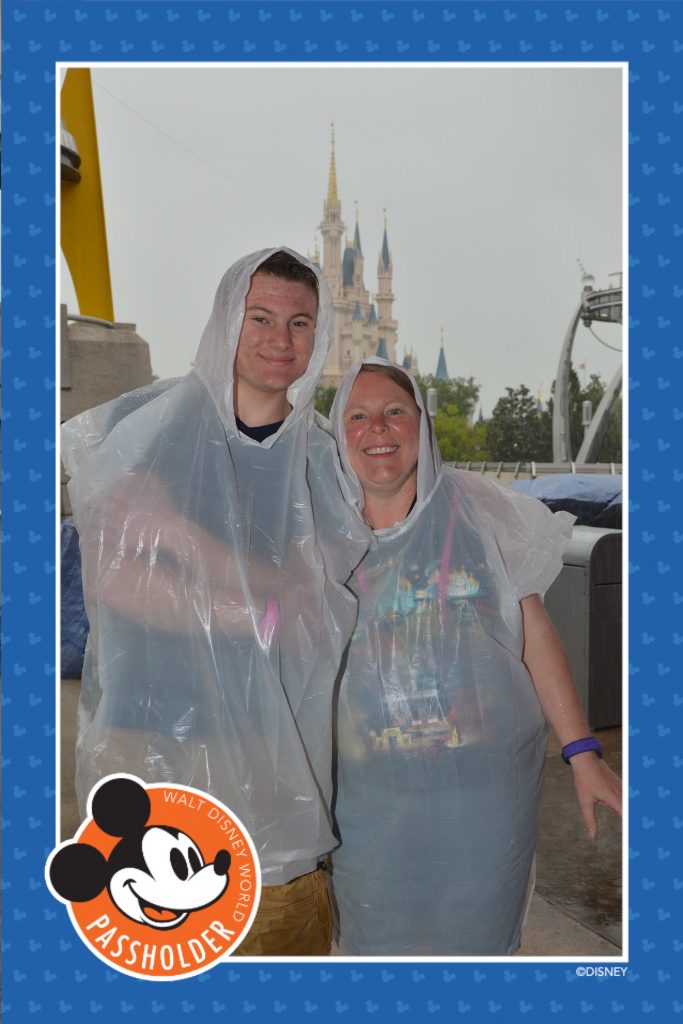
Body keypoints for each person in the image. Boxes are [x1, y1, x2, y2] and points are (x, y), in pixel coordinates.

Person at [61, 248, 370, 956]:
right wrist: (256, 601)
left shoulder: (320, 462)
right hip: (153, 738)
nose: (278, 340)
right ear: (225, 321)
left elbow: (307, 614)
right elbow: (114, 581)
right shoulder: (153, 431)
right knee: (163, 935)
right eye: (259, 317)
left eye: (299, 323)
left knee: (270, 930)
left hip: (269, 745)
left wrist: (178, 541)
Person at [328, 358, 622, 956]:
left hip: (482, 804)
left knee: (476, 951)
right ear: (338, 432)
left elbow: (534, 632)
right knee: (372, 949)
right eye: (357, 416)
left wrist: (583, 751)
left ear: (422, 424)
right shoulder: (317, 528)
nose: (377, 429)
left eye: (394, 412)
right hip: (363, 809)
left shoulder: (482, 511)